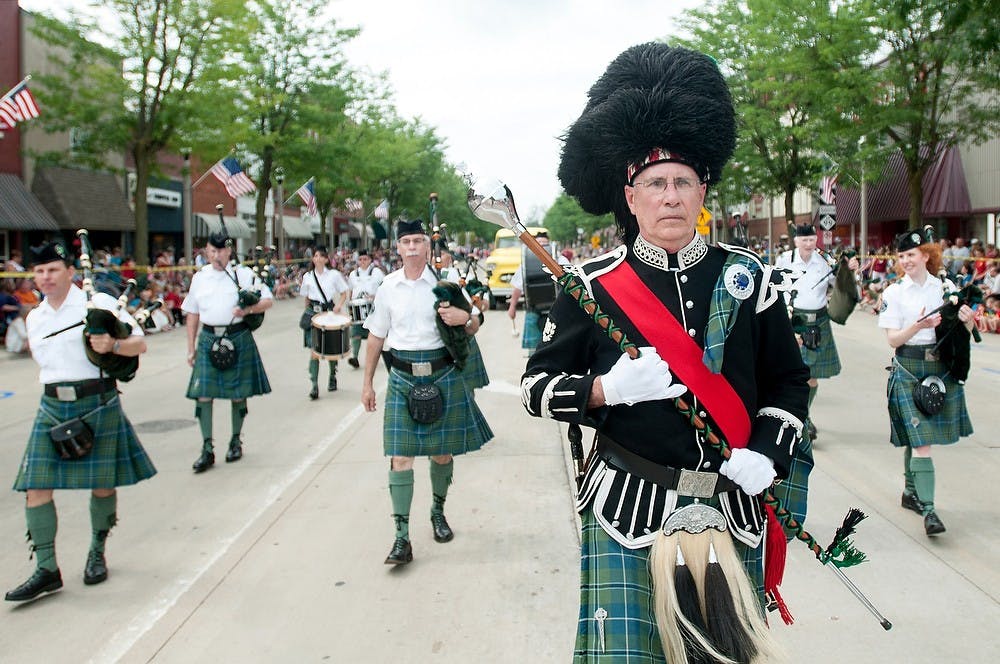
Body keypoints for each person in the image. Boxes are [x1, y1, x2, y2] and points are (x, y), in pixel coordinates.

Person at [522, 43, 809, 661]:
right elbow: (534, 389)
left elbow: (789, 383)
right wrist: (607, 391)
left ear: (703, 190)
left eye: (683, 182)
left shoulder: (747, 276)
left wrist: (767, 451)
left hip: (732, 508)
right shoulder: (592, 286)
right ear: (631, 197)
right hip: (629, 507)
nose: (671, 196)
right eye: (655, 183)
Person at [5, 242, 155, 602]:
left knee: (102, 484)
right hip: (52, 405)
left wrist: (113, 347)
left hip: (97, 402)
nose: (46, 277)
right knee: (35, 487)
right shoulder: (35, 317)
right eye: (39, 271)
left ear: (69, 271)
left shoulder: (97, 304)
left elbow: (139, 343)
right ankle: (46, 569)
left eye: (53, 270)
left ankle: (96, 553)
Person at [361, 219, 493, 566]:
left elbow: (475, 320)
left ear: (428, 246)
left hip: (442, 373)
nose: (413, 247)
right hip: (403, 377)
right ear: (398, 247)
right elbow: (375, 336)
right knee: (400, 456)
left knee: (441, 454)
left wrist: (462, 317)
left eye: (419, 240)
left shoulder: (446, 284)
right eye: (406, 241)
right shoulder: (388, 286)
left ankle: (438, 511)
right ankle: (401, 537)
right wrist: (367, 384)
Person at [878, 228, 976, 536]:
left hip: (938, 370)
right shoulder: (894, 293)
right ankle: (930, 510)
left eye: (912, 255)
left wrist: (965, 319)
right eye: (902, 255)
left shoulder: (943, 289)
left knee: (916, 437)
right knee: (921, 442)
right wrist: (918, 325)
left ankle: (911, 492)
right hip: (907, 365)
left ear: (926, 256)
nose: (906, 260)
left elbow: (962, 328)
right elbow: (893, 339)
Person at [182, 231, 273, 474]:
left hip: (237, 335)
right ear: (207, 252)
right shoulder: (200, 278)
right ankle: (207, 448)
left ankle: (235, 441)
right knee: (203, 395)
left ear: (229, 251)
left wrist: (248, 309)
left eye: (221, 251)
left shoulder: (242, 275)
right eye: (212, 251)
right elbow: (192, 313)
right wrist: (190, 347)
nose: (216, 255)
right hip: (209, 337)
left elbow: (268, 300)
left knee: (237, 393)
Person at [776, 223, 860, 440]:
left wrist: (850, 270)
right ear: (796, 241)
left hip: (819, 321)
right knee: (797, 373)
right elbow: (775, 287)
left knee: (812, 377)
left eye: (812, 239)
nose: (809, 244)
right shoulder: (785, 260)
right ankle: (797, 416)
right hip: (793, 319)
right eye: (804, 240)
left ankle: (805, 415)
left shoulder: (824, 260)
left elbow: (841, 283)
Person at [299, 246, 350, 399]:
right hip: (314, 315)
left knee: (331, 349)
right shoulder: (308, 276)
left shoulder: (334, 275)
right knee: (314, 351)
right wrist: (308, 314)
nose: (318, 258)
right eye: (315, 256)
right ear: (313, 259)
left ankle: (332, 376)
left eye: (321, 256)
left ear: (327, 259)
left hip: (328, 314)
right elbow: (306, 297)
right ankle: (314, 385)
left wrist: (339, 305)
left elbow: (343, 293)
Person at [346, 249, 385, 370]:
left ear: (370, 260)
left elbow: (384, 287)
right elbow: (351, 290)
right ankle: (355, 357)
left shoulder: (377, 272)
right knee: (356, 333)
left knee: (373, 334)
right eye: (360, 259)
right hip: (358, 309)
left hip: (372, 307)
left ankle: (373, 358)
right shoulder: (353, 274)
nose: (362, 262)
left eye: (365, 259)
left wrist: (375, 296)